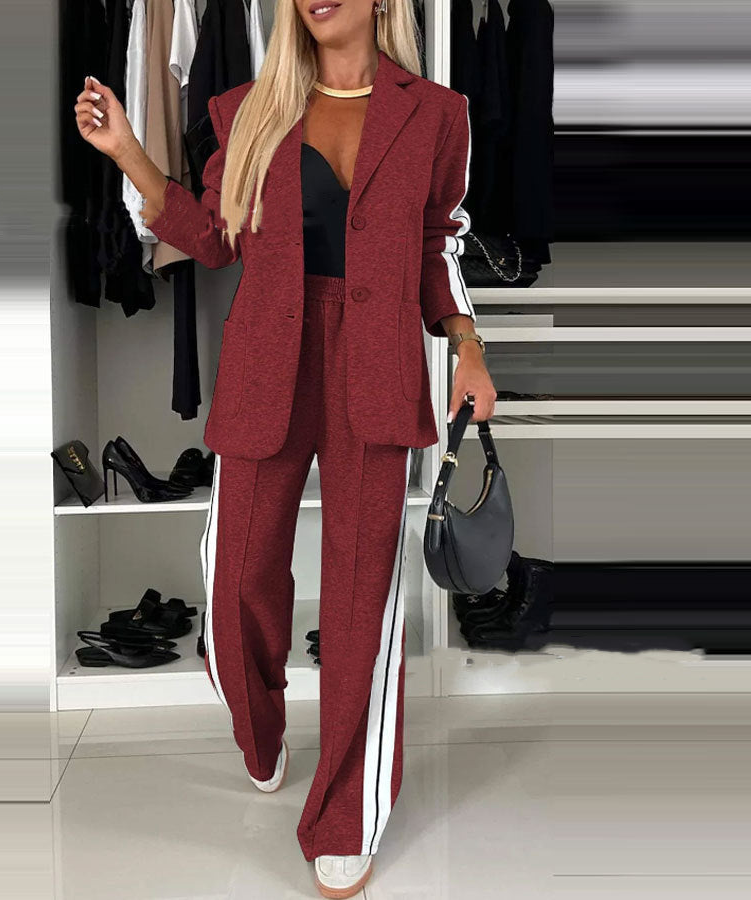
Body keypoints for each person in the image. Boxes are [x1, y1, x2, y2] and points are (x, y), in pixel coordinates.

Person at [74, 1, 496, 895]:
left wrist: (467, 349)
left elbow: (438, 246)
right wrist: (129, 153)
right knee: (233, 585)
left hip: (377, 368)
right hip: (270, 362)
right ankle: (260, 726)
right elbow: (212, 238)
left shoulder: (437, 113)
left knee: (361, 603)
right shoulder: (247, 110)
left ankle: (347, 814)